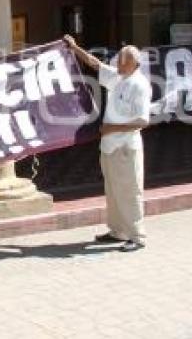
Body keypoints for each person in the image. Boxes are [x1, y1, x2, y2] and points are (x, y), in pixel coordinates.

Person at [64, 36, 152, 252]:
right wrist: (75, 48)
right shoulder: (119, 77)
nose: (119, 64)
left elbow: (143, 120)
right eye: (119, 60)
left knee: (130, 191)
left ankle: (137, 236)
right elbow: (95, 63)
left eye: (124, 61)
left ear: (136, 64)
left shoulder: (139, 85)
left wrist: (112, 128)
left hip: (125, 147)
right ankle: (118, 231)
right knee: (112, 190)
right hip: (109, 146)